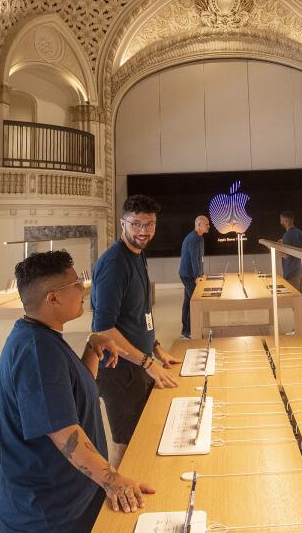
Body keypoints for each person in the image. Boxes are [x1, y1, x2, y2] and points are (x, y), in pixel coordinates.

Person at [0, 250, 156, 532]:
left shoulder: (42, 336)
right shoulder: (37, 352)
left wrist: (93, 347)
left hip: (66, 497)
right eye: (76, 284)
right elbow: (65, 433)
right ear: (52, 298)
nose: (83, 288)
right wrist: (113, 481)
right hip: (47, 513)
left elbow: (76, 395)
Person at [91, 195, 180, 467]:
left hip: (140, 363)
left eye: (149, 224)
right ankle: (115, 501)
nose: (143, 231)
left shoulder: (138, 256)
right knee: (125, 445)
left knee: (143, 438)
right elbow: (104, 329)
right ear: (123, 223)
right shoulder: (114, 264)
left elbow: (140, 312)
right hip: (119, 371)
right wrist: (146, 362)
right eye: (136, 224)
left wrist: (156, 349)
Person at [179, 215, 210, 339]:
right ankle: (188, 331)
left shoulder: (199, 238)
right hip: (188, 275)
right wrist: (197, 276)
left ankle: (185, 330)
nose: (209, 226)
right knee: (193, 302)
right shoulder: (193, 239)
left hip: (191, 275)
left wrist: (201, 274)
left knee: (188, 301)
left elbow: (199, 259)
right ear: (199, 225)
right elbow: (193, 259)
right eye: (206, 224)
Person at [277, 211, 302, 292]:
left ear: (286, 220)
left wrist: (278, 249)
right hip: (300, 270)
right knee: (300, 297)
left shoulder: (287, 235)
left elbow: (286, 255)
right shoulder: (299, 232)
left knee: (293, 297)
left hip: (291, 272)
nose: (280, 222)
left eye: (281, 220)